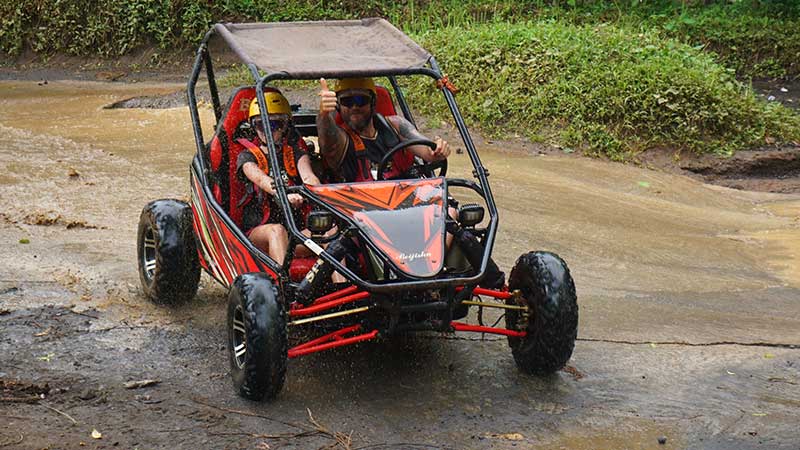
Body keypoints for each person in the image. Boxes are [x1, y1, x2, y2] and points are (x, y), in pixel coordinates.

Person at [295, 78, 504, 301]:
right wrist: (324, 115)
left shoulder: (394, 126)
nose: (354, 107)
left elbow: (426, 150)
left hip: (404, 205)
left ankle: (434, 279)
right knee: (337, 233)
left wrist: (438, 152)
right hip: (359, 212)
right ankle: (346, 299)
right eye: (347, 101)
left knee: (449, 213)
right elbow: (327, 142)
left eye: (360, 100)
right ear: (339, 106)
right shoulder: (342, 138)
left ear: (373, 102)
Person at [236, 89, 320, 265]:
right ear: (253, 127)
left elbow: (309, 177)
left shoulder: (296, 152)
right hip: (259, 233)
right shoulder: (247, 156)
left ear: (285, 126)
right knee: (277, 231)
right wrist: (283, 194)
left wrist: (314, 191)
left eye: (275, 125)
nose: (267, 131)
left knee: (329, 229)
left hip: (295, 234)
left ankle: (342, 285)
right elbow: (260, 179)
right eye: (261, 125)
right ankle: (284, 287)